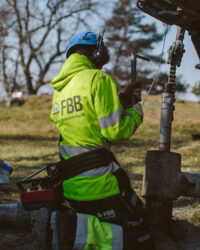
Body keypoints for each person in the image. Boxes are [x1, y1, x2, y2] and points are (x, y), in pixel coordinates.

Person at [49, 31, 153, 250]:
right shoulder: (99, 79)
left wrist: (120, 100)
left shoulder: (60, 90)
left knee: (120, 222)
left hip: (73, 188)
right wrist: (135, 111)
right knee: (140, 235)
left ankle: (78, 225)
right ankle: (68, 229)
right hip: (100, 185)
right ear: (96, 54)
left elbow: (87, 120)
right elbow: (116, 131)